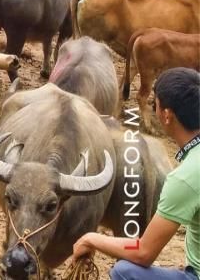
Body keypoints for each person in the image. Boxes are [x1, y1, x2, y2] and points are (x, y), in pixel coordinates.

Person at [72, 67, 199, 279]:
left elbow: (143, 253)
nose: (154, 110)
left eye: (154, 104)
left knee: (125, 271)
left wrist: (91, 239)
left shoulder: (185, 178)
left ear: (166, 115)